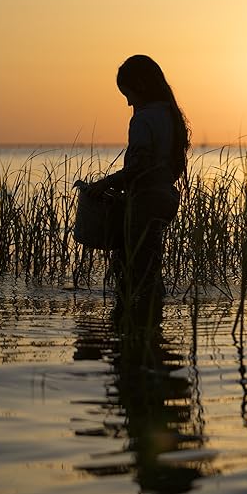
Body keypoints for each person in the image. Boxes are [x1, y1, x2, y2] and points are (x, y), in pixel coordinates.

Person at [83, 55, 190, 318]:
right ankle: (151, 325)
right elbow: (173, 166)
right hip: (165, 199)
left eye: (128, 95)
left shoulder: (143, 119)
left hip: (144, 203)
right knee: (149, 267)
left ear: (141, 86)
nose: (129, 102)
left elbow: (140, 165)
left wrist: (106, 184)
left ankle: (134, 330)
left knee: (132, 270)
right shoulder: (170, 115)